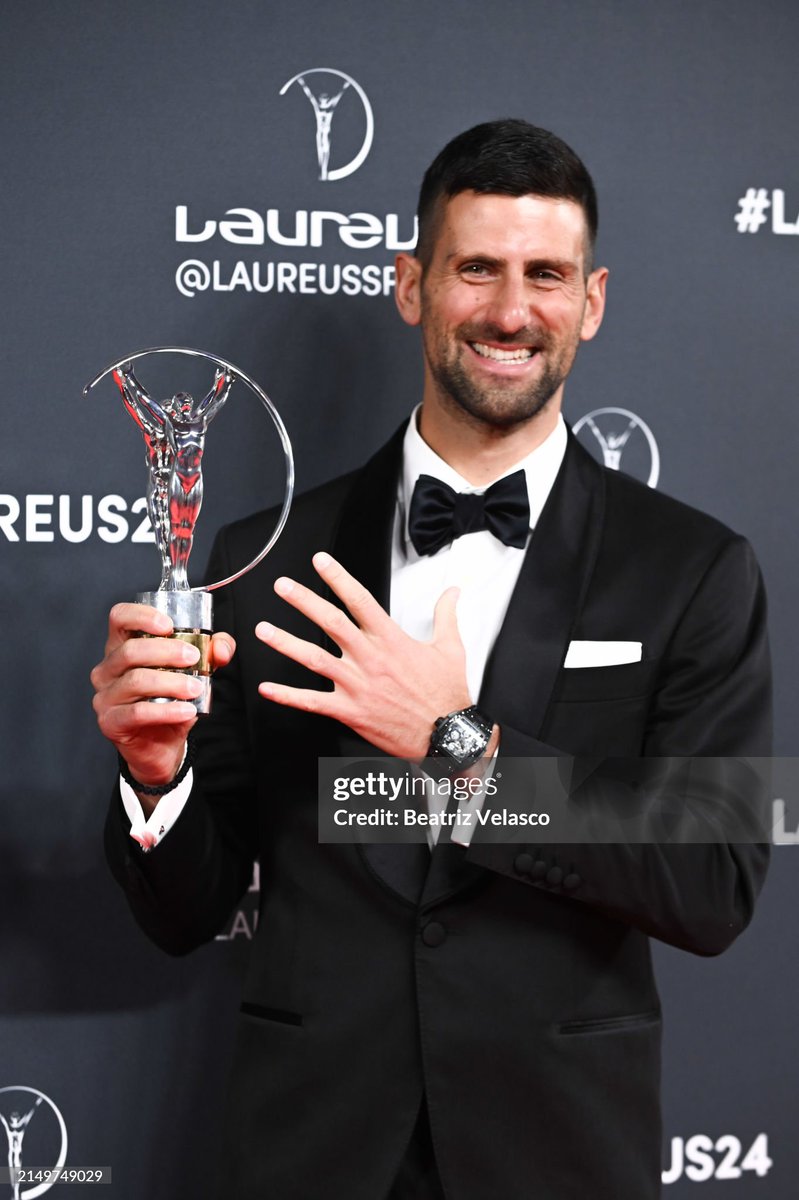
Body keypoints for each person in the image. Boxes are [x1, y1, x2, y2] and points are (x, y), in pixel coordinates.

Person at [92, 120, 771, 1200]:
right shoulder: (262, 558)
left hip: (559, 1153)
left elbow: (716, 877)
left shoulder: (694, 569)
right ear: (412, 285)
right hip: (311, 1151)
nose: (511, 310)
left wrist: (459, 751)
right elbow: (185, 913)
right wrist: (155, 776)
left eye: (545, 275)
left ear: (590, 302)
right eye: (477, 270)